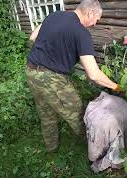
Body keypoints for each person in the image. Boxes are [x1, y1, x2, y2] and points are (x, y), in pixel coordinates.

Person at [25, 0, 119, 152]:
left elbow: (33, 37)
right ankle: (96, 150)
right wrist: (116, 86)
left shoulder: (54, 15)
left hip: (31, 71)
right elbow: (94, 75)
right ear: (90, 13)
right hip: (51, 79)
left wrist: (56, 51)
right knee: (77, 113)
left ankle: (51, 148)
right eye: (97, 20)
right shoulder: (82, 33)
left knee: (46, 112)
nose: (95, 24)